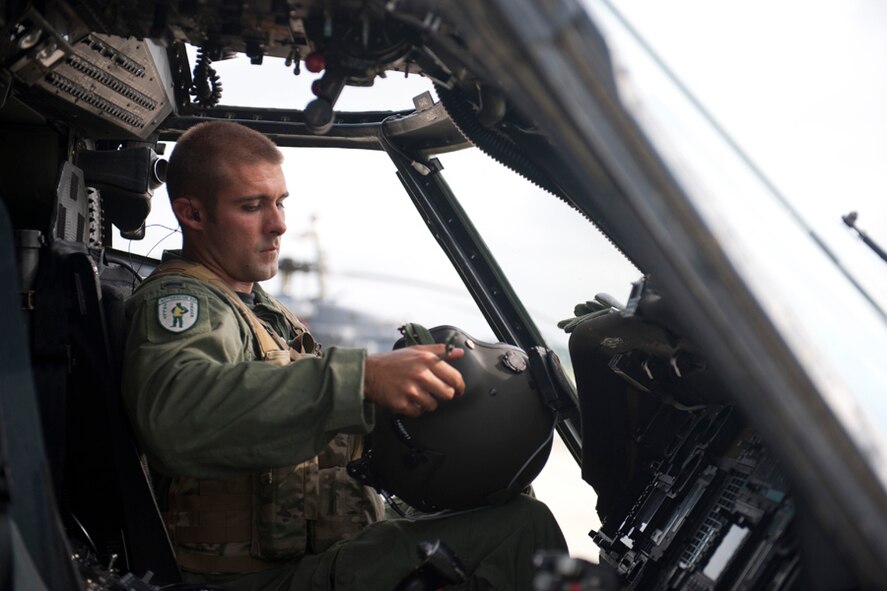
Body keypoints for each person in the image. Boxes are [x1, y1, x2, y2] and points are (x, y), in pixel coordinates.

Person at [122, 120, 567, 590]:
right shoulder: (181, 304)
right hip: (255, 581)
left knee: (495, 505)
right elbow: (179, 414)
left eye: (280, 202)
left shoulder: (262, 310)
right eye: (252, 206)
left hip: (314, 553)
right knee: (520, 532)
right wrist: (362, 380)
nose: (279, 224)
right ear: (192, 214)